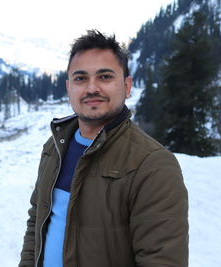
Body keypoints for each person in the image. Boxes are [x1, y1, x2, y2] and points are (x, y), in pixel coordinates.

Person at [19, 30, 188, 267]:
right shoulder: (55, 147)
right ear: (69, 88)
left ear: (127, 86)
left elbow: (162, 260)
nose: (91, 88)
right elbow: (36, 221)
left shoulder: (152, 165)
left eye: (105, 77)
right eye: (80, 78)